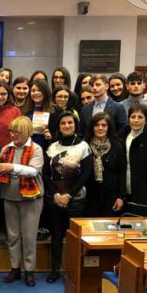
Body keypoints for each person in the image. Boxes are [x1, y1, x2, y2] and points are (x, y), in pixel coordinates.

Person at [43, 112, 92, 283]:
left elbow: (85, 175)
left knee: (74, 239)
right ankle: (55, 270)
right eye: (63, 123)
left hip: (76, 200)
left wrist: (69, 195)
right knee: (56, 236)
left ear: (75, 125)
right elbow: (45, 174)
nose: (66, 126)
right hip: (54, 199)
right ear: (58, 126)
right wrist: (56, 194)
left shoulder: (83, 146)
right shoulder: (51, 147)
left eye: (70, 122)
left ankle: (74, 271)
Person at [0, 116, 44, 287]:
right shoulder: (5, 149)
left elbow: (33, 171)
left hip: (31, 198)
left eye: (16, 132)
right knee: (13, 236)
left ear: (26, 132)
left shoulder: (36, 149)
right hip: (10, 196)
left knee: (29, 235)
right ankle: (15, 268)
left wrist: (12, 167)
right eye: (11, 131)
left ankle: (29, 270)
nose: (12, 135)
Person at [0, 81, 21, 244]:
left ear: (8, 95)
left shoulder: (15, 111)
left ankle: (2, 229)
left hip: (9, 157)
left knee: (5, 195)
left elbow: (20, 133)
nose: (0, 97)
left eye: (3, 94)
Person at [116, 104, 147, 215]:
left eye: (140, 117)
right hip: (122, 190)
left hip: (144, 192)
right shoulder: (119, 137)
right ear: (128, 119)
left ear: (146, 120)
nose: (136, 120)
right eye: (133, 117)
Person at [84, 113, 126, 217]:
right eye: (97, 125)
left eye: (104, 125)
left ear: (109, 127)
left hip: (111, 195)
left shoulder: (117, 145)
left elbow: (122, 173)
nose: (100, 128)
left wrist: (121, 197)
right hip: (89, 195)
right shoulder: (85, 145)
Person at [120, 71, 147, 138]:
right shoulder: (120, 106)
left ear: (144, 86)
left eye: (139, 83)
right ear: (127, 86)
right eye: (133, 83)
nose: (136, 86)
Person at [23, 79, 60, 150]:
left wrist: (51, 136)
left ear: (45, 92)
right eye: (33, 90)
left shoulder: (56, 110)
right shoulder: (25, 111)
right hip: (28, 149)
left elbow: (60, 132)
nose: (36, 93)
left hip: (48, 149)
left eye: (39, 90)